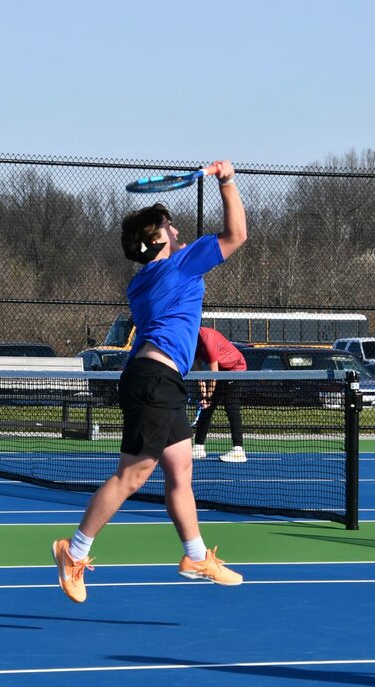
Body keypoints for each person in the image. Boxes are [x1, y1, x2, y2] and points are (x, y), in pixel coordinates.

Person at [52, 161, 247, 603]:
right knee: (132, 477)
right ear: (158, 238)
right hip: (155, 380)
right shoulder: (178, 266)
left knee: (180, 470)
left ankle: (196, 556)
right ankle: (74, 551)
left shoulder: (141, 284)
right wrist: (228, 182)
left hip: (155, 378)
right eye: (170, 226)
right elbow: (237, 235)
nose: (178, 231)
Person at [192, 326, 247, 463]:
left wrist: (208, 396)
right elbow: (199, 374)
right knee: (207, 408)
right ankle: (198, 447)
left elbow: (214, 375)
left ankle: (238, 450)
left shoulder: (208, 340)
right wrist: (204, 397)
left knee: (231, 407)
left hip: (235, 369)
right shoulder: (190, 342)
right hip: (221, 371)